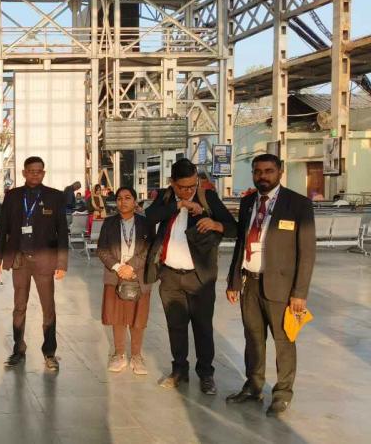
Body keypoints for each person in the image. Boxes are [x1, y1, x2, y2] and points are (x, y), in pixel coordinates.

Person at [225, 154, 316, 417]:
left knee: (284, 341)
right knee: (253, 339)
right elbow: (241, 244)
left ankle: (282, 394)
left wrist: (299, 293)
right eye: (257, 171)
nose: (262, 176)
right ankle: (253, 387)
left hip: (282, 288)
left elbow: (307, 253)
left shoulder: (298, 204)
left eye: (268, 171)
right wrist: (233, 281)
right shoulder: (247, 202)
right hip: (250, 284)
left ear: (280, 172)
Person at [145, 158, 236, 394]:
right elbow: (150, 217)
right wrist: (180, 204)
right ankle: (179, 370)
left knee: (203, 328)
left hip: (199, 277)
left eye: (192, 186)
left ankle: (206, 374)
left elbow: (234, 227)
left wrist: (215, 224)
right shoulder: (166, 197)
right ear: (172, 183)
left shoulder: (208, 197)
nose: (188, 191)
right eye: (182, 187)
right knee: (176, 326)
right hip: (170, 276)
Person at [0, 156, 69, 371]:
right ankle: (18, 349)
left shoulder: (55, 197)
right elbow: (2, 228)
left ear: (44, 173)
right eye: (31, 171)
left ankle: (49, 352)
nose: (35, 174)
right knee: (19, 307)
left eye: (39, 171)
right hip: (20, 261)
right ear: (24, 173)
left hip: (45, 261)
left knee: (48, 308)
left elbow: (62, 231)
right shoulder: (13, 196)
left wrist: (62, 263)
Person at [97, 187, 156, 375]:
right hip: (115, 275)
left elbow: (150, 249)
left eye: (128, 197)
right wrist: (117, 267)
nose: (123, 201)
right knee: (117, 317)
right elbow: (101, 249)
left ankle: (137, 356)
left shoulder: (146, 223)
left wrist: (131, 266)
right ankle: (119, 354)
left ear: (135, 201)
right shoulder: (109, 223)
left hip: (139, 275)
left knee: (138, 318)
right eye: (119, 198)